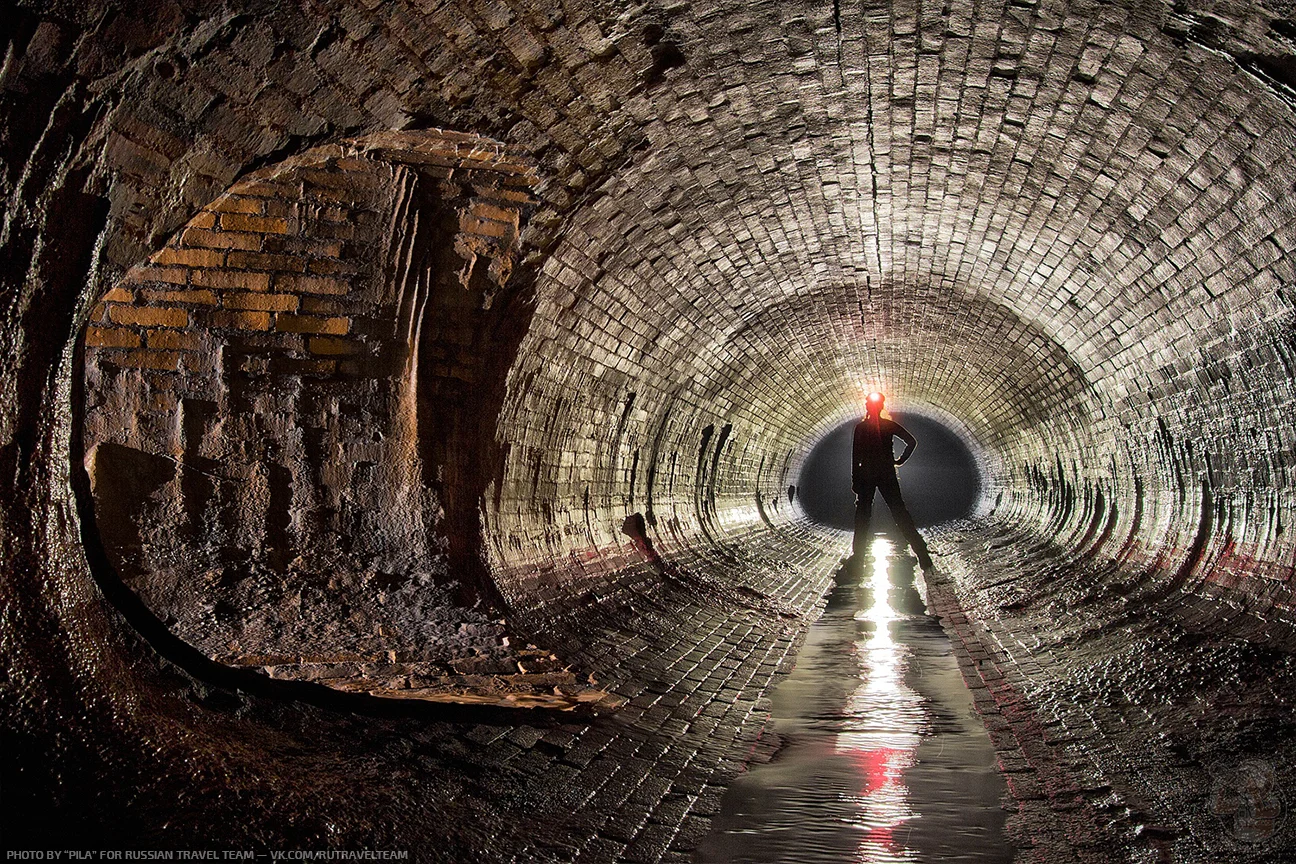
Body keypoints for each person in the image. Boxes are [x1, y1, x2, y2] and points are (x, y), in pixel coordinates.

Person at [851, 392, 934, 570]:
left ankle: (858, 559)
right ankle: (921, 552)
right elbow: (911, 441)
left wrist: (855, 478)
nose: (867, 406)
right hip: (886, 473)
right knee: (899, 512)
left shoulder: (861, 428)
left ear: (869, 407)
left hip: (867, 474)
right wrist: (900, 460)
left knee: (863, 515)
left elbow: (856, 456)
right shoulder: (888, 426)